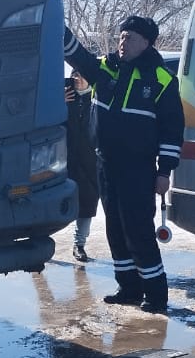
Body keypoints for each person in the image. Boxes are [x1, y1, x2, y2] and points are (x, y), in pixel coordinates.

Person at [64, 16, 184, 314]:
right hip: (105, 162)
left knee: (138, 229)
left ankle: (156, 295)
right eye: (121, 36)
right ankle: (128, 287)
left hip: (138, 167)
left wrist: (164, 171)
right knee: (115, 228)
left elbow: (173, 129)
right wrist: (54, 23)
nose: (122, 41)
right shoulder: (105, 68)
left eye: (129, 37)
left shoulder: (161, 78)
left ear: (145, 42)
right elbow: (76, 53)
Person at [65, 69, 99, 262]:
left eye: (82, 75)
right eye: (75, 75)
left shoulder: (95, 99)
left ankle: (79, 244)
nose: (78, 79)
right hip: (64, 159)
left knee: (86, 203)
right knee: (55, 201)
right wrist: (58, 103)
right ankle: (41, 239)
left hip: (89, 161)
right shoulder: (64, 97)